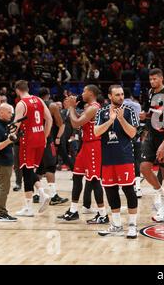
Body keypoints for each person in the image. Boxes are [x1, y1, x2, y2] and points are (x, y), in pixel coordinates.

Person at [94, 85, 140, 238]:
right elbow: (96, 132)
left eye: (122, 94)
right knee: (111, 191)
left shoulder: (129, 111)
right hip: (108, 158)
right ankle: (116, 224)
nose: (121, 97)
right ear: (109, 96)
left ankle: (132, 225)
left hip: (124, 157)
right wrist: (110, 121)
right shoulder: (101, 112)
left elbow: (133, 133)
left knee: (129, 190)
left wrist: (120, 119)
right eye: (117, 95)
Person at [58, 85, 108, 224]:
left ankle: (103, 214)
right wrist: (73, 108)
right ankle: (73, 210)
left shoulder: (94, 107)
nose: (82, 93)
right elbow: (79, 123)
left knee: (93, 179)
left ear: (91, 93)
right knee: (77, 176)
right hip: (85, 145)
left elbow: (76, 123)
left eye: (84, 91)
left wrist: (72, 107)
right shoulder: (88, 107)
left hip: (93, 145)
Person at [140, 68, 164, 222]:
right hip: (152, 135)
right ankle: (161, 194)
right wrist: (145, 116)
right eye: (150, 79)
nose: (152, 82)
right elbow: (154, 113)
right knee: (144, 168)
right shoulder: (150, 92)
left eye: (155, 79)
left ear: (161, 79)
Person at [12, 80, 53, 217]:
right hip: (40, 139)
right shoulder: (39, 100)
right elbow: (49, 120)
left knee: (26, 171)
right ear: (28, 88)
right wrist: (45, 136)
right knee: (29, 171)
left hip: (28, 140)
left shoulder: (21, 104)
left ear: (18, 90)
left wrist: (10, 136)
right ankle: (29, 205)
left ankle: (41, 193)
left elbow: (16, 125)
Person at [35, 88, 68, 205]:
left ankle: (37, 194)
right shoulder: (52, 105)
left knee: (39, 167)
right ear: (48, 95)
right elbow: (61, 124)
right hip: (47, 139)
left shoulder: (34, 104)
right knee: (50, 167)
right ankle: (53, 196)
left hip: (35, 139)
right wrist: (58, 138)